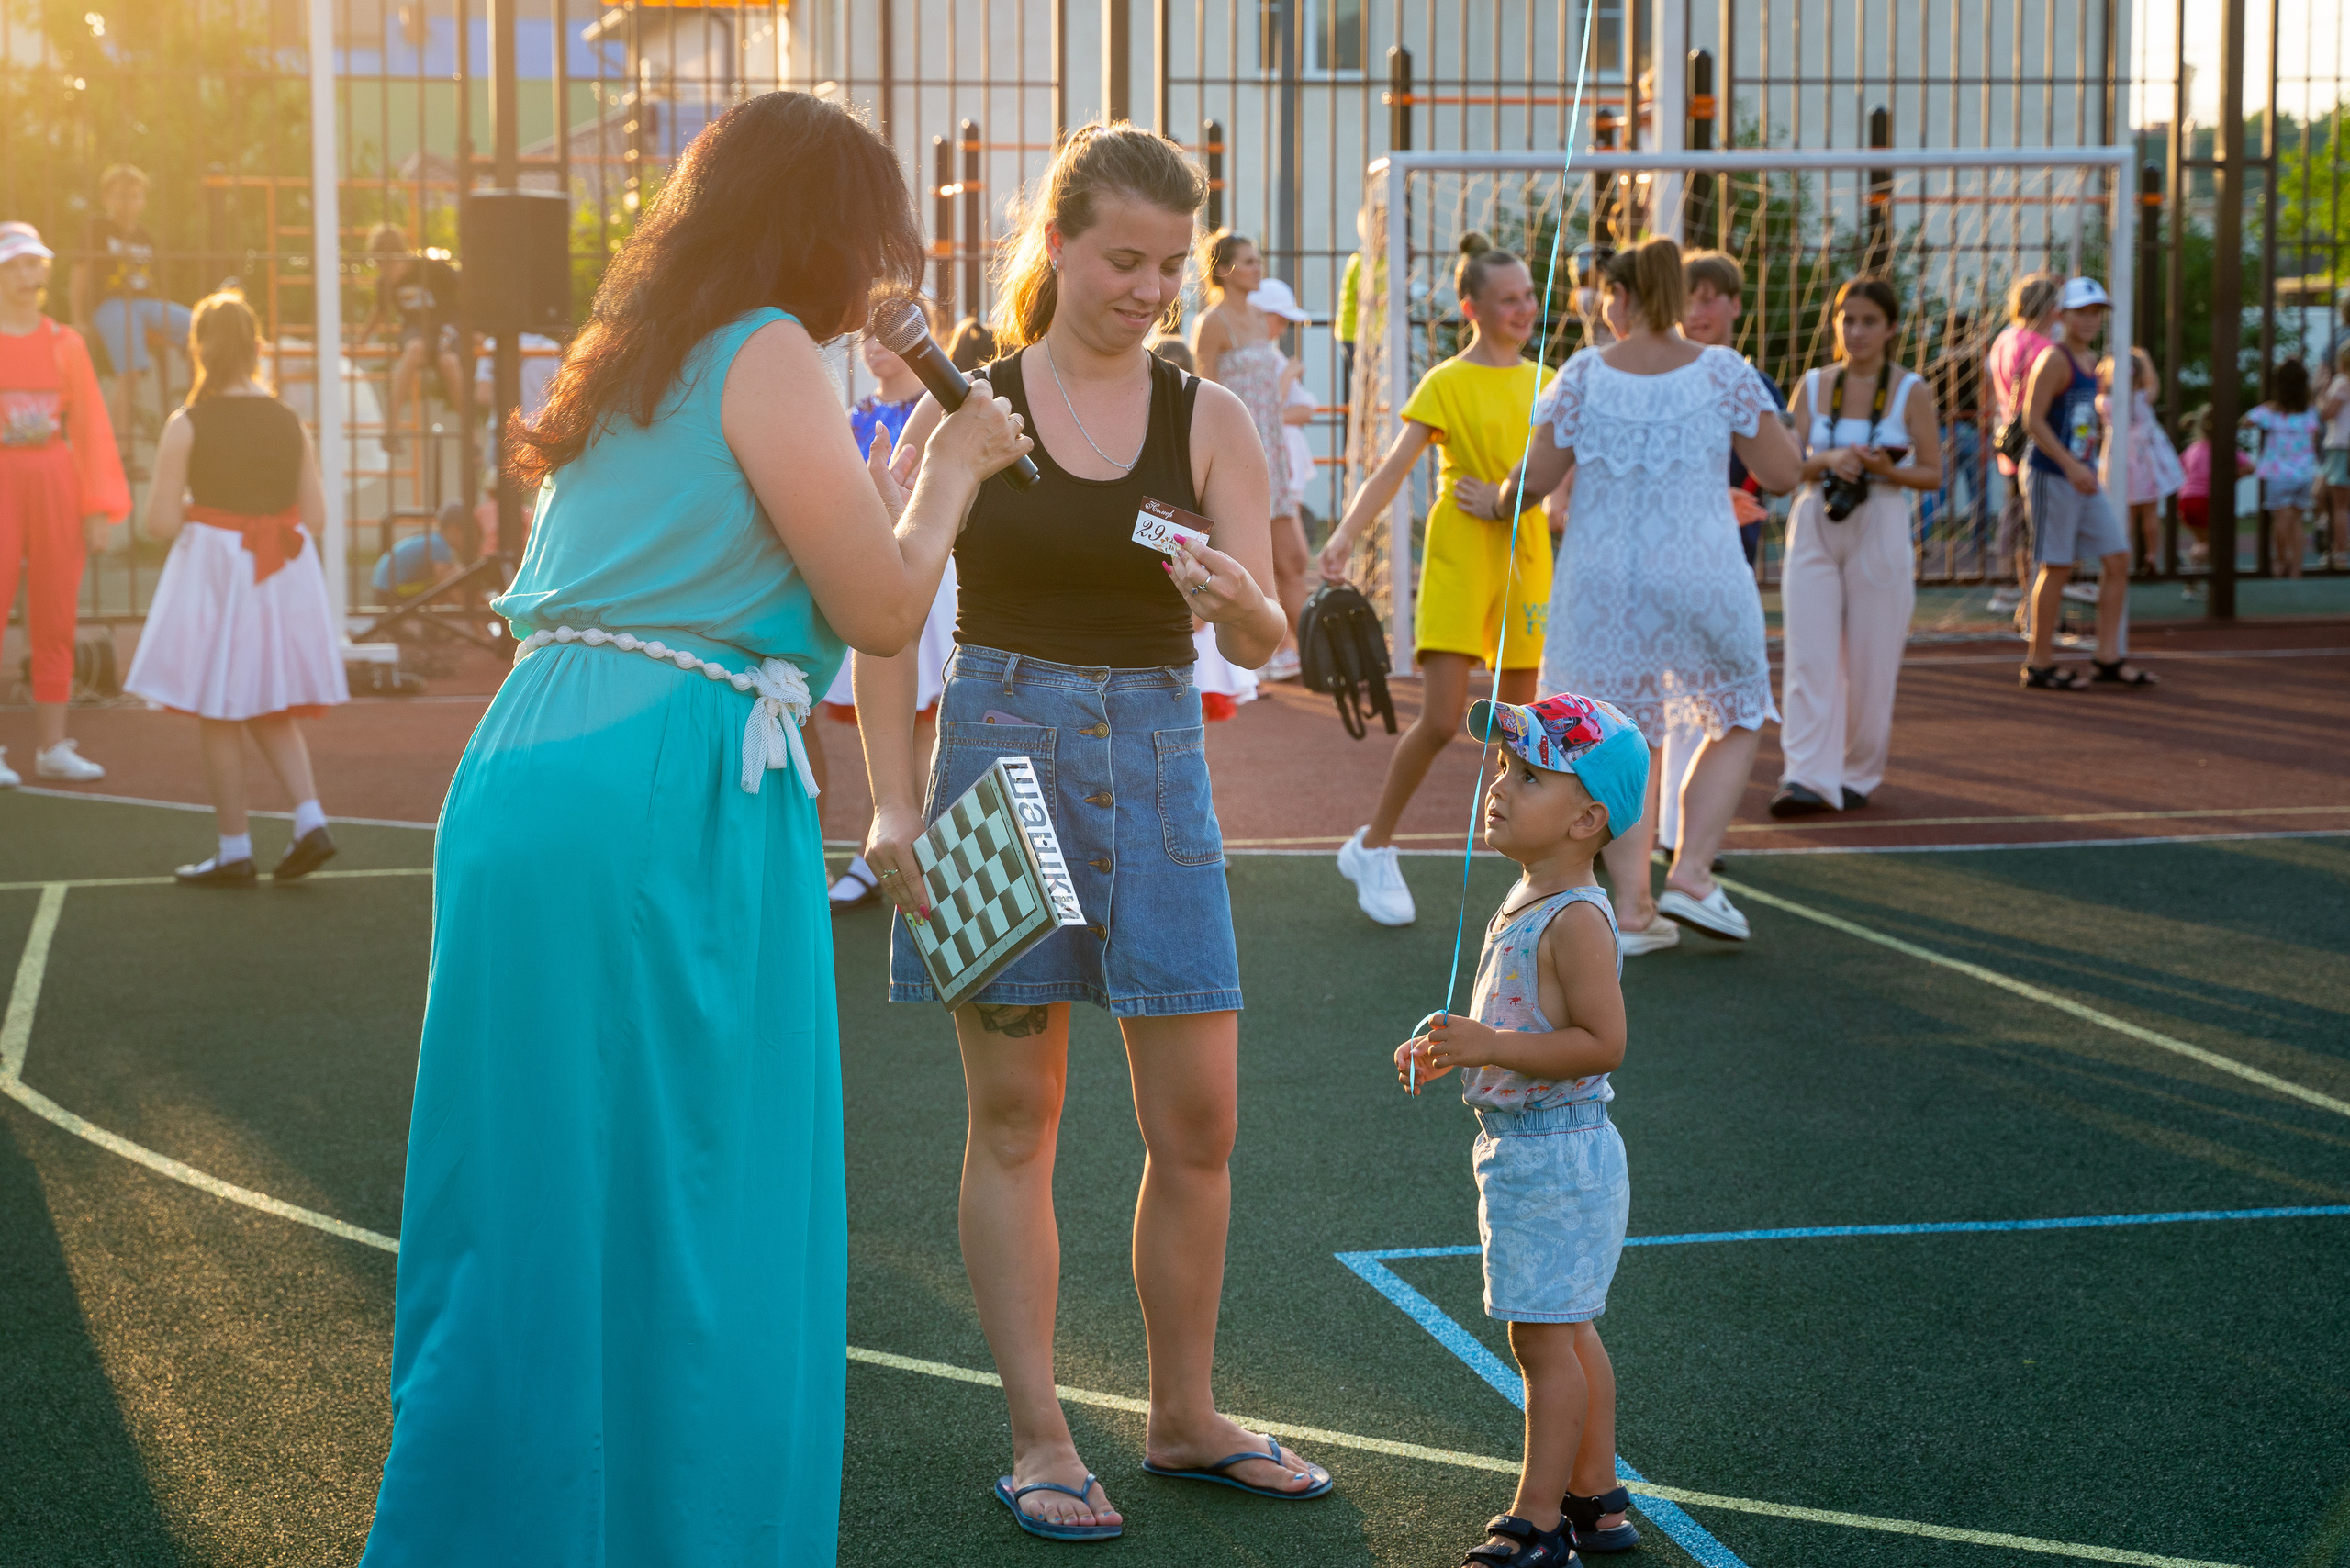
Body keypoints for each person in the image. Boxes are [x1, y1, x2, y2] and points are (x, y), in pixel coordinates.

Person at [357, 92, 1032, 1567]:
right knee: (693, 1183)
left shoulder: (635, 362)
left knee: (525, 1176)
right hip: (660, 778)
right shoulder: (769, 353)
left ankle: (500, 1527)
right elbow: (878, 608)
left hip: (540, 756)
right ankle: (674, 1527)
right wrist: (956, 466)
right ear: (828, 230)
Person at [867, 122, 1315, 1542]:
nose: (1149, 288)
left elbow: (1272, 628)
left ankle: (1182, 1418)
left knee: (1200, 1124)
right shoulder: (974, 413)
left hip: (1163, 764)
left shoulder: (1212, 420)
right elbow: (887, 624)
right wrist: (889, 802)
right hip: (999, 756)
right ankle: (1041, 1435)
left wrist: (1234, 602)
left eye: (1171, 265)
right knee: (1019, 1121)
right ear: (1055, 245)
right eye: (1124, 259)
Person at [1477, 237, 1804, 949]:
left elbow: (1530, 484)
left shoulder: (1586, 373)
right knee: (1739, 711)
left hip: (1603, 584)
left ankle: (1631, 906)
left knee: (1622, 737)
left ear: (1622, 297)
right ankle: (1690, 870)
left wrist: (1495, 496)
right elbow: (1783, 471)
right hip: (1702, 571)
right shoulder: (1724, 371)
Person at [1395, 690, 1645, 1568]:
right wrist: (1459, 1051)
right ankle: (1599, 1503)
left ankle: (1538, 1521)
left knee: (1542, 1338)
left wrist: (1491, 1044)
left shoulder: (1575, 916)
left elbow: (1602, 1044)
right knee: (1568, 1329)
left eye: (1529, 774)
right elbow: (1517, 1019)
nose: (1499, 785)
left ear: (1587, 818)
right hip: (1538, 1148)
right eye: (1503, 767)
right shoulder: (1534, 891)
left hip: (1557, 1152)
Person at [1315, 233, 1555, 927]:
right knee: (1446, 719)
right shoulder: (1445, 381)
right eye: (1508, 299)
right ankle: (1374, 845)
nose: (1523, 309)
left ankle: (1536, 870)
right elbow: (1391, 470)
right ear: (1470, 305)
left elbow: (1561, 477)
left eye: (1528, 297)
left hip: (1527, 555)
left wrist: (1516, 500)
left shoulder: (1549, 380)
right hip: (1458, 556)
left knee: (1522, 729)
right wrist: (1343, 537)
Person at [124, 290, 347, 884]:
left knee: (219, 709)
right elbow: (316, 518)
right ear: (255, 347)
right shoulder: (287, 419)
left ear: (200, 347)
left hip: (223, 572)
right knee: (269, 703)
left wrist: (204, 502)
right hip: (283, 572)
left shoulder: (186, 423)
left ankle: (233, 849)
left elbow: (160, 523)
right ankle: (310, 819)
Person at [1771, 277, 1942, 818]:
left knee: (1873, 658)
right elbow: (1787, 466)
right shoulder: (1815, 385)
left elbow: (1933, 473)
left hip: (1881, 522)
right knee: (1808, 657)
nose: (1857, 331)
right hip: (1817, 520)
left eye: (1870, 321)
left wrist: (1884, 468)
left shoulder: (1911, 389)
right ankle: (1805, 776)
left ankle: (1857, 773)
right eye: (1848, 320)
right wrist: (1828, 461)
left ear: (1891, 328)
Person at [820, 298, 966, 911]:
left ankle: (902, 850)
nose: (876, 347)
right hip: (862, 565)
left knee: (926, 715)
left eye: (890, 335)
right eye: (867, 337)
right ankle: (867, 844)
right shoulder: (855, 413)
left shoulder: (943, 404)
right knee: (866, 712)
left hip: (929, 570)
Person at [1657, 249, 1784, 868]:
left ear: (1735, 304)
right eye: (1688, 298)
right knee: (1673, 707)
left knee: (1713, 709)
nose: (1698, 311)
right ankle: (1670, 837)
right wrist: (1711, 496)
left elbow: (1780, 467)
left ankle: (1681, 836)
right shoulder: (1657, 378)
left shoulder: (1751, 383)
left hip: (1729, 563)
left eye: (1710, 298)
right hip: (1668, 563)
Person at [0, 221, 128, 789]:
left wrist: (96, 506)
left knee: (56, 614)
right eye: (15, 266)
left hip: (53, 476)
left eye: (33, 265)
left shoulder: (65, 342)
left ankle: (52, 746)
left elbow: (93, 427)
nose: (27, 276)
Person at [2017, 276, 2156, 689]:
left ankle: (2107, 657)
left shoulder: (2090, 359)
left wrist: (2087, 464)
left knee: (2117, 558)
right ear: (2062, 315)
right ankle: (2039, 663)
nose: (2091, 319)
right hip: (2052, 474)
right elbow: (2032, 420)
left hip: (2082, 476)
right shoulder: (2054, 359)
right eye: (2082, 311)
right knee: (2055, 566)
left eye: (2096, 312)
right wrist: (2070, 464)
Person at [1192, 230, 1306, 678]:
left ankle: (1305, 651)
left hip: (1271, 449)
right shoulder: (1212, 323)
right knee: (1246, 552)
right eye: (1250, 261)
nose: (1259, 268)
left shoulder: (1260, 319)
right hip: (1235, 450)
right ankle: (1259, 660)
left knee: (1292, 556)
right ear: (1224, 270)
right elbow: (1203, 391)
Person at [71, 164, 190, 397]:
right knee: (131, 374)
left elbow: (149, 282)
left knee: (201, 330)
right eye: (122, 196)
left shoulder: (145, 236)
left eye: (135, 197)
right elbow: (79, 276)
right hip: (111, 304)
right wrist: (78, 319)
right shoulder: (97, 228)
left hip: (147, 304)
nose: (129, 203)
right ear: (106, 198)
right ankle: (119, 434)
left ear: (144, 201)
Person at [1985, 272, 2063, 618]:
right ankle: (2032, 590)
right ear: (2050, 308)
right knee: (2037, 521)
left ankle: (2008, 583)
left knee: (2013, 514)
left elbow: (1989, 383)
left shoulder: (2004, 338)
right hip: (2036, 439)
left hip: (2008, 434)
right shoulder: (2043, 347)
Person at [359, 225, 465, 454]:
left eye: (387, 265)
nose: (384, 272)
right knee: (414, 348)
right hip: (417, 328)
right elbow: (380, 311)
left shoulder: (431, 266)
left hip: (446, 323)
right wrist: (361, 341)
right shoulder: (385, 282)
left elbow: (465, 290)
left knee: (449, 362)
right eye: (379, 266)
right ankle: (390, 430)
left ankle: (470, 435)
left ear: (401, 256)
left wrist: (478, 328)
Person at [2097, 346, 2185, 574]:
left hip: (2120, 460)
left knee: (2125, 515)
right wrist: (2144, 357)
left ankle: (2124, 556)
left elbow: (2096, 382)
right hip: (2146, 461)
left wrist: (2105, 365)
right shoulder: (2143, 397)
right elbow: (2154, 383)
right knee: (2150, 513)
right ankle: (2151, 554)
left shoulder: (2105, 402)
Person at [2243, 357, 2322, 580]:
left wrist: (2267, 407)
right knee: (2297, 522)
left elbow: (2245, 421)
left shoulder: (2272, 412)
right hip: (2305, 472)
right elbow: (2314, 439)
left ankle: (2280, 562)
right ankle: (2296, 567)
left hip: (2278, 473)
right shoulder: (2310, 412)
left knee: (2281, 520)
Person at [371, 499, 477, 601]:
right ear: (454, 530)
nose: (472, 539)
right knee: (451, 576)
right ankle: (468, 612)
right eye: (469, 533)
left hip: (384, 590)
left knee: (449, 575)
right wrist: (466, 604)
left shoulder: (434, 539)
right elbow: (445, 581)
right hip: (392, 592)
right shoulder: (439, 544)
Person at [2319, 343, 2350, 570]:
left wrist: (2321, 393)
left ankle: (2340, 554)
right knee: (2321, 494)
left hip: (2341, 446)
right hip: (2342, 446)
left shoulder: (2342, 383)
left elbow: (2327, 413)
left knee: (2339, 505)